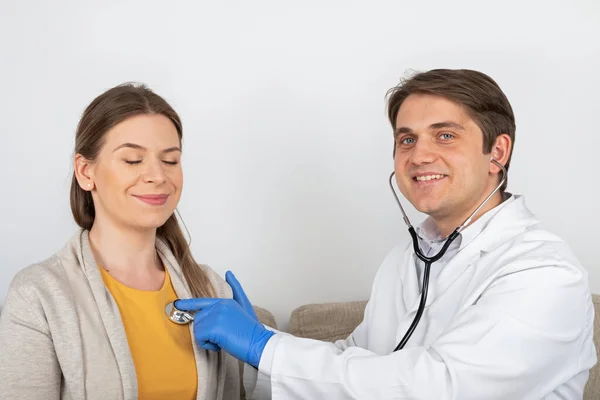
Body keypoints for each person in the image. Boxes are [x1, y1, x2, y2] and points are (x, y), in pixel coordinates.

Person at [174, 69, 598, 399]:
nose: (420, 155)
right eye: (406, 139)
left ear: (497, 153)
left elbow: (440, 388)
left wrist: (265, 347)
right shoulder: (408, 257)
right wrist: (255, 358)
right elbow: (361, 363)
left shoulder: (544, 274)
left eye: (445, 135)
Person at [0, 83, 257, 399]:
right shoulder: (38, 296)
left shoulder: (212, 290)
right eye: (133, 160)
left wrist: (265, 353)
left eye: (171, 160)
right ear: (85, 172)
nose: (157, 176)